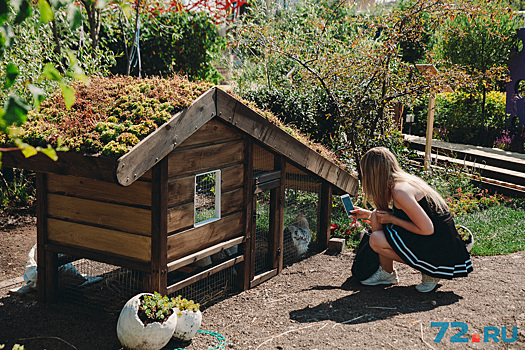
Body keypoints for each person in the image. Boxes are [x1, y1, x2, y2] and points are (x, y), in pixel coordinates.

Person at [350, 147, 473, 292]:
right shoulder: (403, 181)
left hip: (441, 249)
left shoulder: (400, 191)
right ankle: (387, 273)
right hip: (437, 239)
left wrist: (393, 219)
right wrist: (368, 214)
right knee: (377, 216)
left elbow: (427, 229)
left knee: (376, 239)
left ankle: (431, 271)